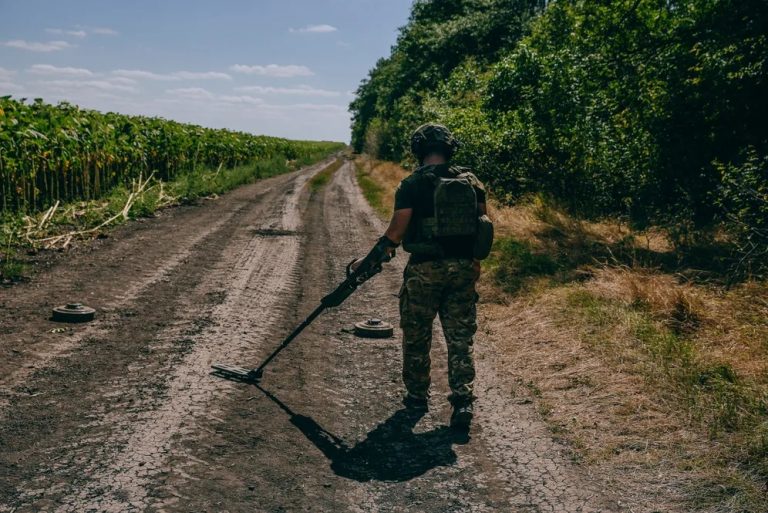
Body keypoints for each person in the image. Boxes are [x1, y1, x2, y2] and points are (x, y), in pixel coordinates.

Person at [356, 123, 489, 429]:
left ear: (418, 150)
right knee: (460, 338)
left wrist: (366, 262)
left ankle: (417, 397)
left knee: (417, 335)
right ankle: (462, 401)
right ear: (449, 148)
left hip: (425, 270)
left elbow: (396, 234)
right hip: (463, 269)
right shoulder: (471, 181)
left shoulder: (411, 185)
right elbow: (483, 224)